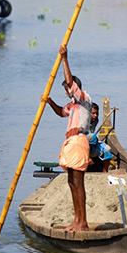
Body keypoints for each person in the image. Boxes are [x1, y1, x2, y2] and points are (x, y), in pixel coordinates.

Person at [46, 45, 91, 232]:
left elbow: (69, 81)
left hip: (79, 141)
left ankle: (83, 223)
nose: (67, 92)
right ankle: (77, 219)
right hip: (70, 143)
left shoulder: (84, 98)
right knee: (71, 181)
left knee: (78, 182)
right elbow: (60, 113)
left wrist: (65, 59)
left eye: (68, 89)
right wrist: (49, 102)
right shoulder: (72, 105)